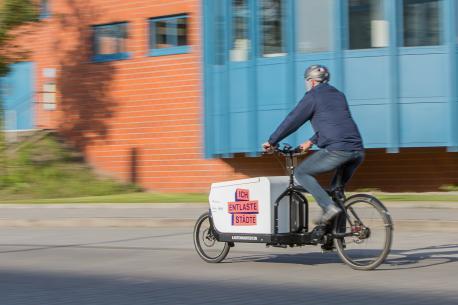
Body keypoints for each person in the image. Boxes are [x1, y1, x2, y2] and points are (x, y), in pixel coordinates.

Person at [262, 65, 365, 225]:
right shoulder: (339, 95)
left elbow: (292, 121)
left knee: (301, 173)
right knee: (337, 191)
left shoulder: (312, 96)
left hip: (337, 150)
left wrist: (272, 141)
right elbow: (335, 124)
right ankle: (337, 235)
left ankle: (328, 207)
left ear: (311, 81)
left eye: (307, 81)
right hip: (357, 150)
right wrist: (311, 141)